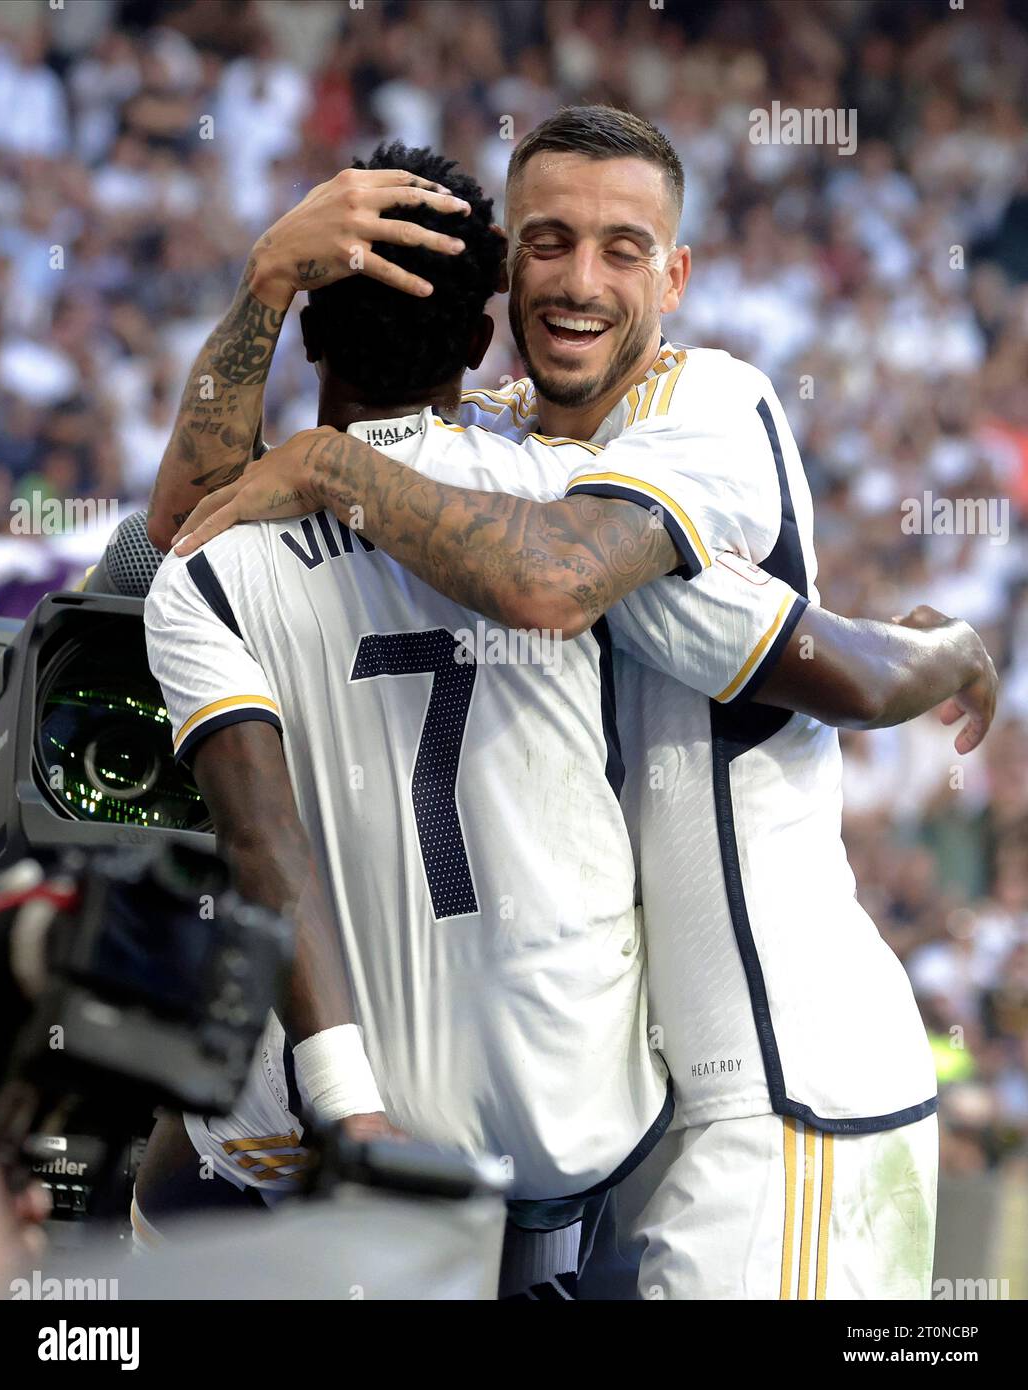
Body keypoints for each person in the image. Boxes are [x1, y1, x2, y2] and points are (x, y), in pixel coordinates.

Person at [167, 109, 997, 1299]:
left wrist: (324, 458)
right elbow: (193, 533)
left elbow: (551, 581)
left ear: (677, 276)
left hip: (786, 1080)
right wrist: (267, 278)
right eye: (548, 242)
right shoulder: (515, 451)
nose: (580, 280)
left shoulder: (704, 406)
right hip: (640, 1108)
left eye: (623, 248)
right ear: (503, 277)